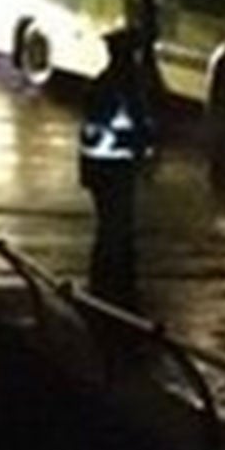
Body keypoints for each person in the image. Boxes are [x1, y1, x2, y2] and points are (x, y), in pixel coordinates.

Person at [77, 20, 157, 308]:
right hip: (115, 168)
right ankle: (115, 289)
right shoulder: (123, 86)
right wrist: (143, 147)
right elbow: (134, 125)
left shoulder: (103, 83)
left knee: (108, 228)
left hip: (99, 168)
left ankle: (104, 283)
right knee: (117, 229)